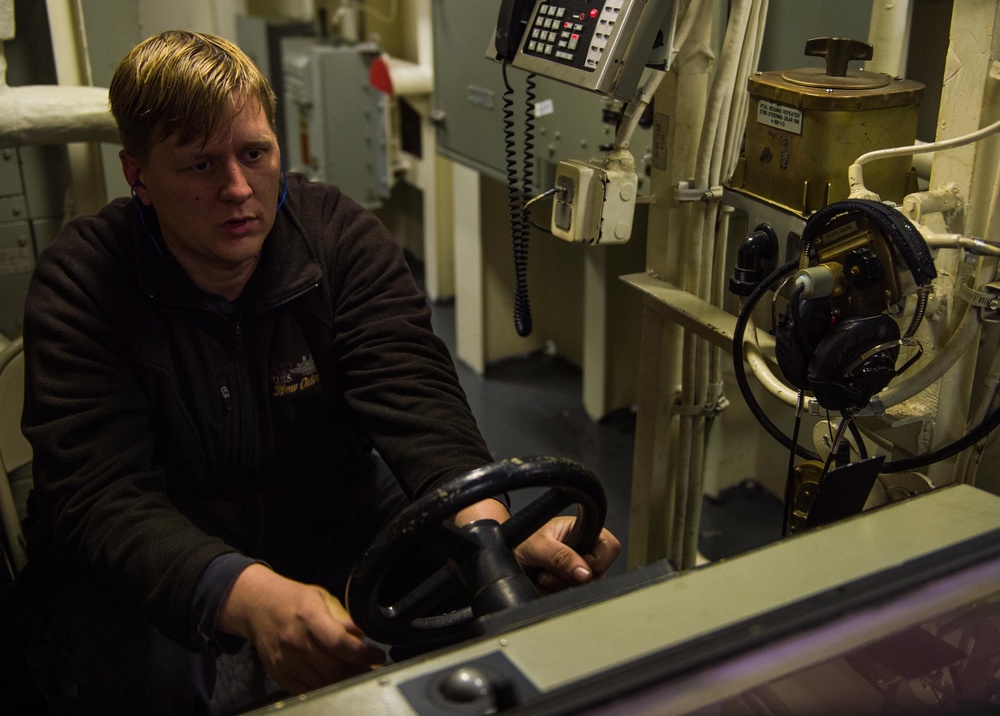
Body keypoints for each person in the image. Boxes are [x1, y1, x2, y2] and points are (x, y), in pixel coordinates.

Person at [18, 30, 620, 715]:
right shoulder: (82, 281)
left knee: (464, 577)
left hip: (327, 515)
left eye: (254, 153)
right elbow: (101, 499)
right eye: (199, 166)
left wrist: (491, 535)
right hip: (168, 541)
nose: (239, 189)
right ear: (138, 176)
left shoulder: (339, 239)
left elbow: (417, 402)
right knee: (137, 675)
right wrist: (248, 594)